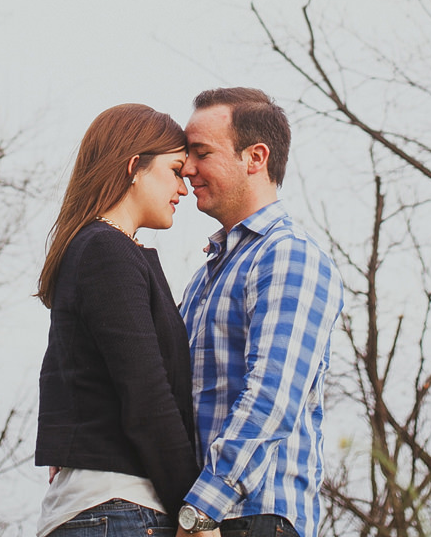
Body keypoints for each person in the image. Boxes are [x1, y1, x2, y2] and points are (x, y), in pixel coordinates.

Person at [175, 88, 344, 537]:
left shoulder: (288, 256)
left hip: (250, 519)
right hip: (206, 520)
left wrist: (201, 508)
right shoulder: (204, 278)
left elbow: (272, 395)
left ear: (255, 157)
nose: (187, 168)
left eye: (201, 152)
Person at [36, 104, 202, 537]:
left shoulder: (97, 249)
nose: (183, 188)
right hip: (120, 510)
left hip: (109, 511)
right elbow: (147, 396)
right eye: (175, 171)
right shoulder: (106, 251)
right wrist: (195, 514)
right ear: (134, 167)